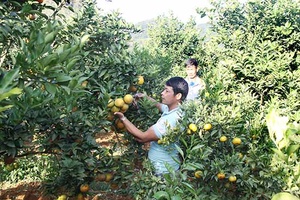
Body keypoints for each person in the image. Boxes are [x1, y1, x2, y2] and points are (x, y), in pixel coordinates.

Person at [114, 77, 189, 175]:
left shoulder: (171, 120)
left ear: (178, 95)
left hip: (163, 172)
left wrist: (123, 118)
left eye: (167, 91)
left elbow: (142, 137)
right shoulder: (176, 110)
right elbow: (158, 105)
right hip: (167, 168)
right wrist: (144, 97)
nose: (162, 93)